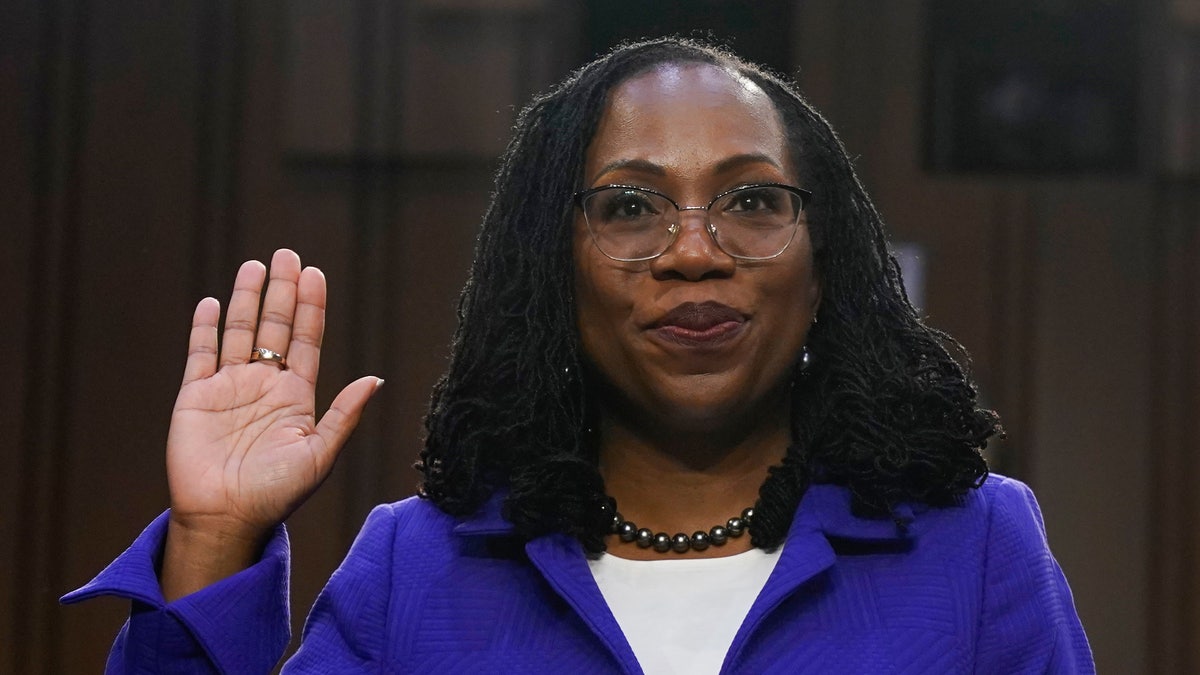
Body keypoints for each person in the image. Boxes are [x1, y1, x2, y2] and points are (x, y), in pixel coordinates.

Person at [64, 37, 1093, 673]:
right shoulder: (413, 571)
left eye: (751, 199)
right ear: (553, 271)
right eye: (631, 206)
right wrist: (211, 544)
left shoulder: (976, 551)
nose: (694, 250)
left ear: (826, 269)